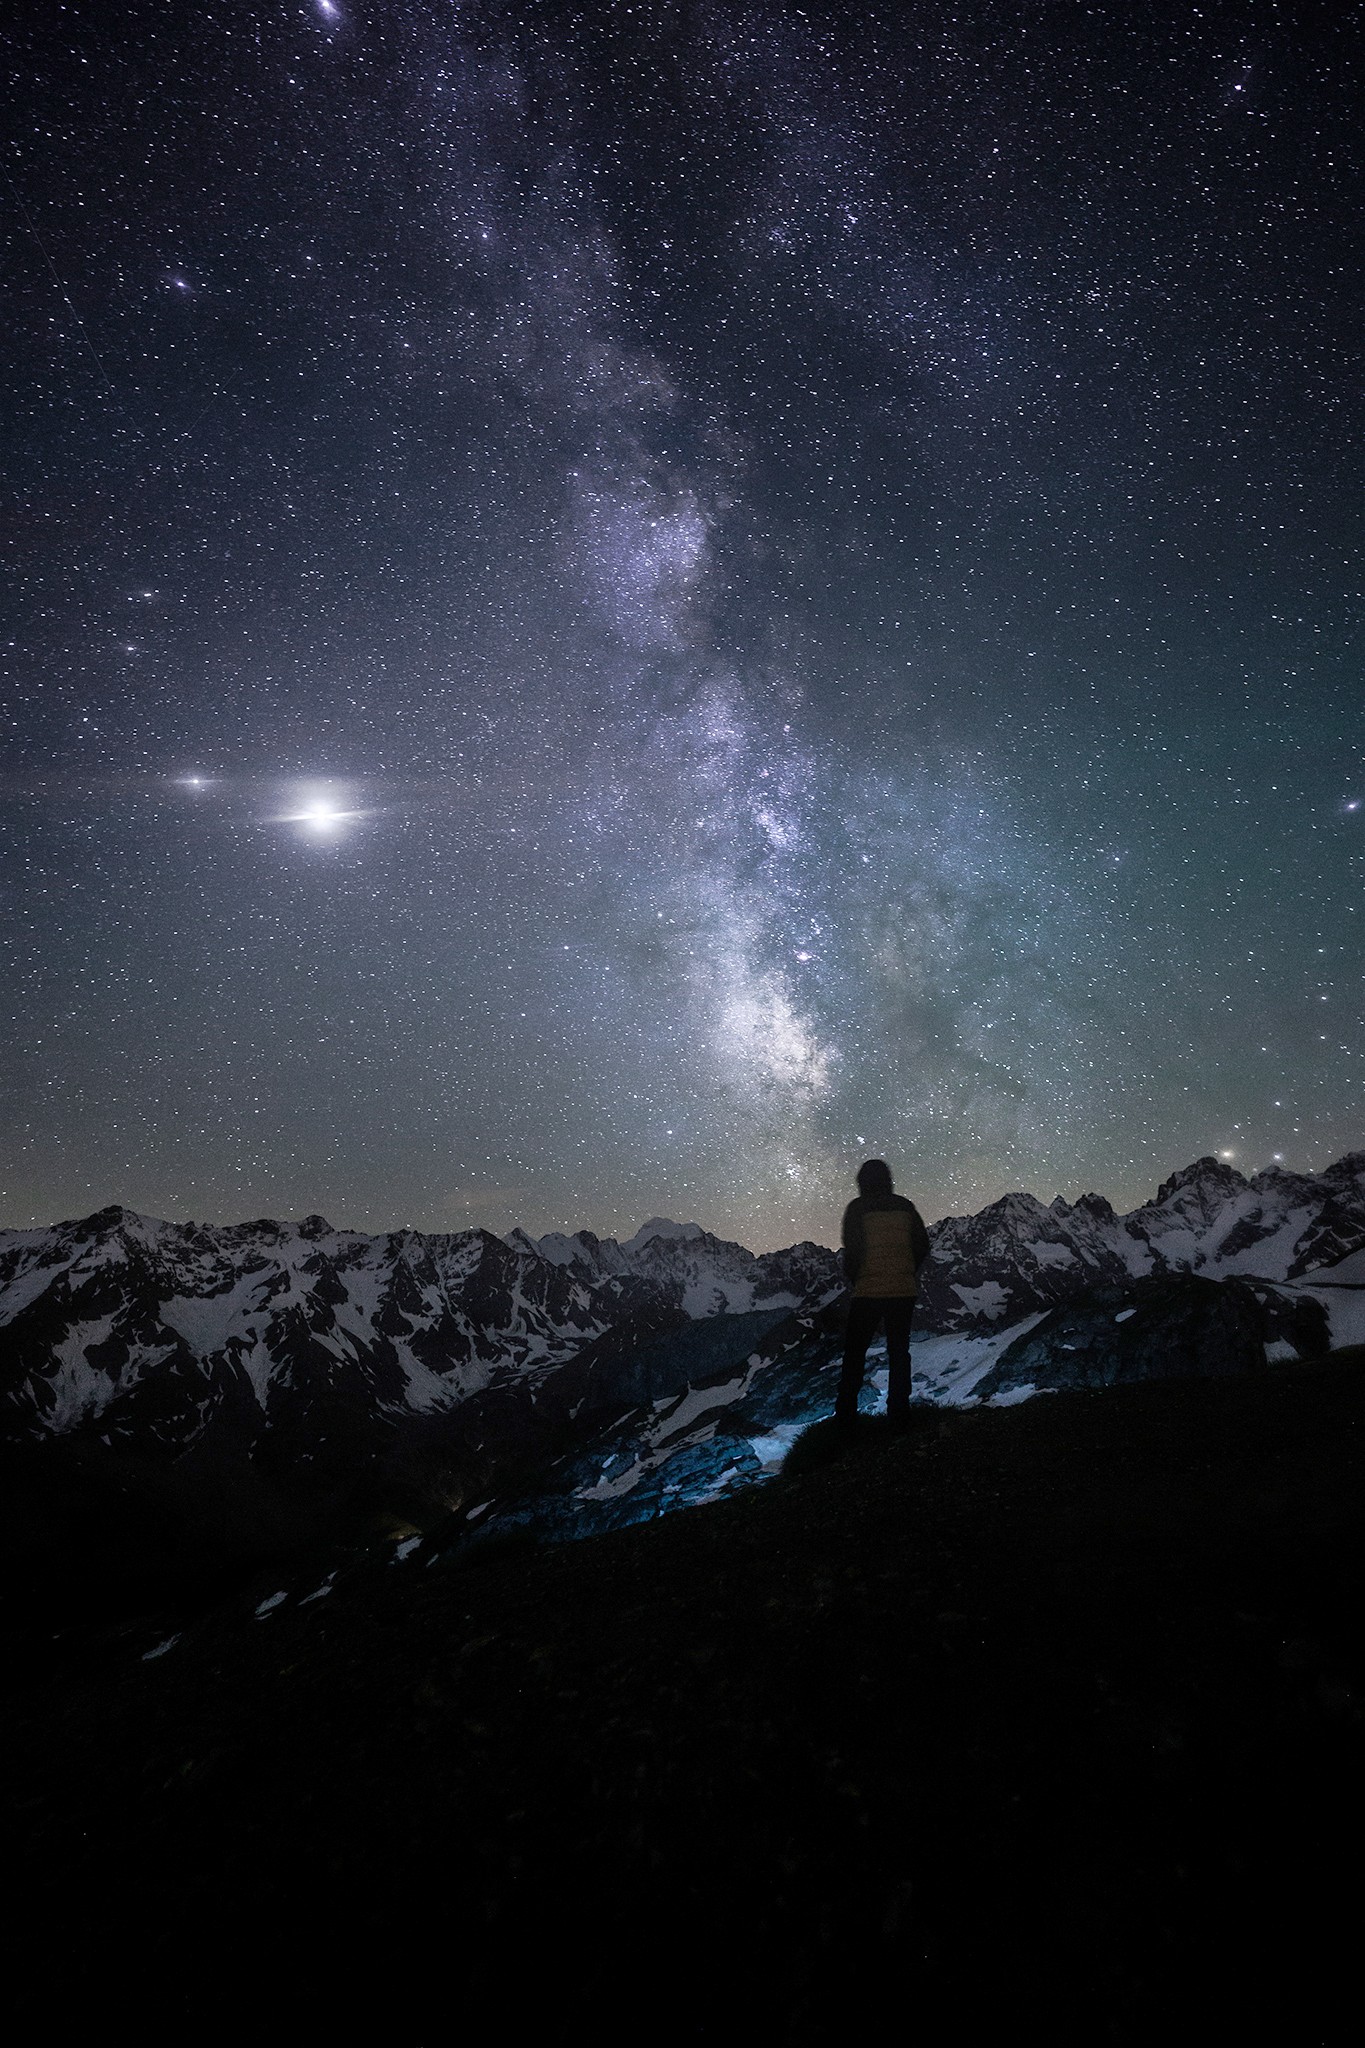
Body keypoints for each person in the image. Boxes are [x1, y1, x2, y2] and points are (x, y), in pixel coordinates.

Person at [836, 1158, 931, 1425]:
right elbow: (922, 1245)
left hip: (868, 1290)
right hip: (903, 1291)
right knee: (899, 1352)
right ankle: (899, 1414)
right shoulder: (906, 1207)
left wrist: (857, 1278)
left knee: (855, 1353)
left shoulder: (858, 1208)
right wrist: (907, 1271)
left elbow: (852, 1250)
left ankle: (846, 1417)